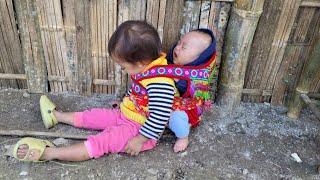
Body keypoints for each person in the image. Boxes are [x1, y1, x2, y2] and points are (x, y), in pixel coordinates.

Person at [13, 20, 177, 162]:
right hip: (127, 114)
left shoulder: (161, 83)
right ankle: (57, 116)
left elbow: (160, 116)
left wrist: (140, 140)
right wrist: (126, 102)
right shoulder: (148, 67)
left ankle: (49, 153)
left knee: (101, 142)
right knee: (93, 116)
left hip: (138, 130)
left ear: (140, 63)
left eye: (123, 67)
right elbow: (139, 91)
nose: (122, 70)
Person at [166, 29, 216, 152]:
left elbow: (195, 90)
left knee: (177, 118)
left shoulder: (199, 74)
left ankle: (183, 136)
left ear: (198, 58)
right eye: (178, 43)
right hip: (169, 102)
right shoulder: (173, 62)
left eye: (183, 47)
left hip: (187, 110)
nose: (177, 48)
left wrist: (179, 81)